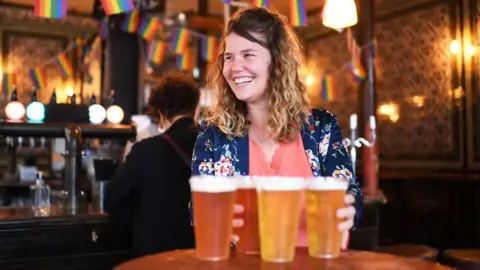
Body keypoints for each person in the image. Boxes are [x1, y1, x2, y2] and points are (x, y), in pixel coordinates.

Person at [191, 7, 363, 248]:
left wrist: (350, 209)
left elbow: (350, 193)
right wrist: (217, 222)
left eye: (248, 55)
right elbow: (197, 210)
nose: (234, 67)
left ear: (278, 60)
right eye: (229, 57)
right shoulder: (214, 136)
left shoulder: (321, 127)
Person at [105, 71, 200, 258]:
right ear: (195, 110)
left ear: (162, 113)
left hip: (155, 257)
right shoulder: (217, 148)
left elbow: (112, 201)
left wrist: (143, 217)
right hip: (200, 256)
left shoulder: (146, 150)